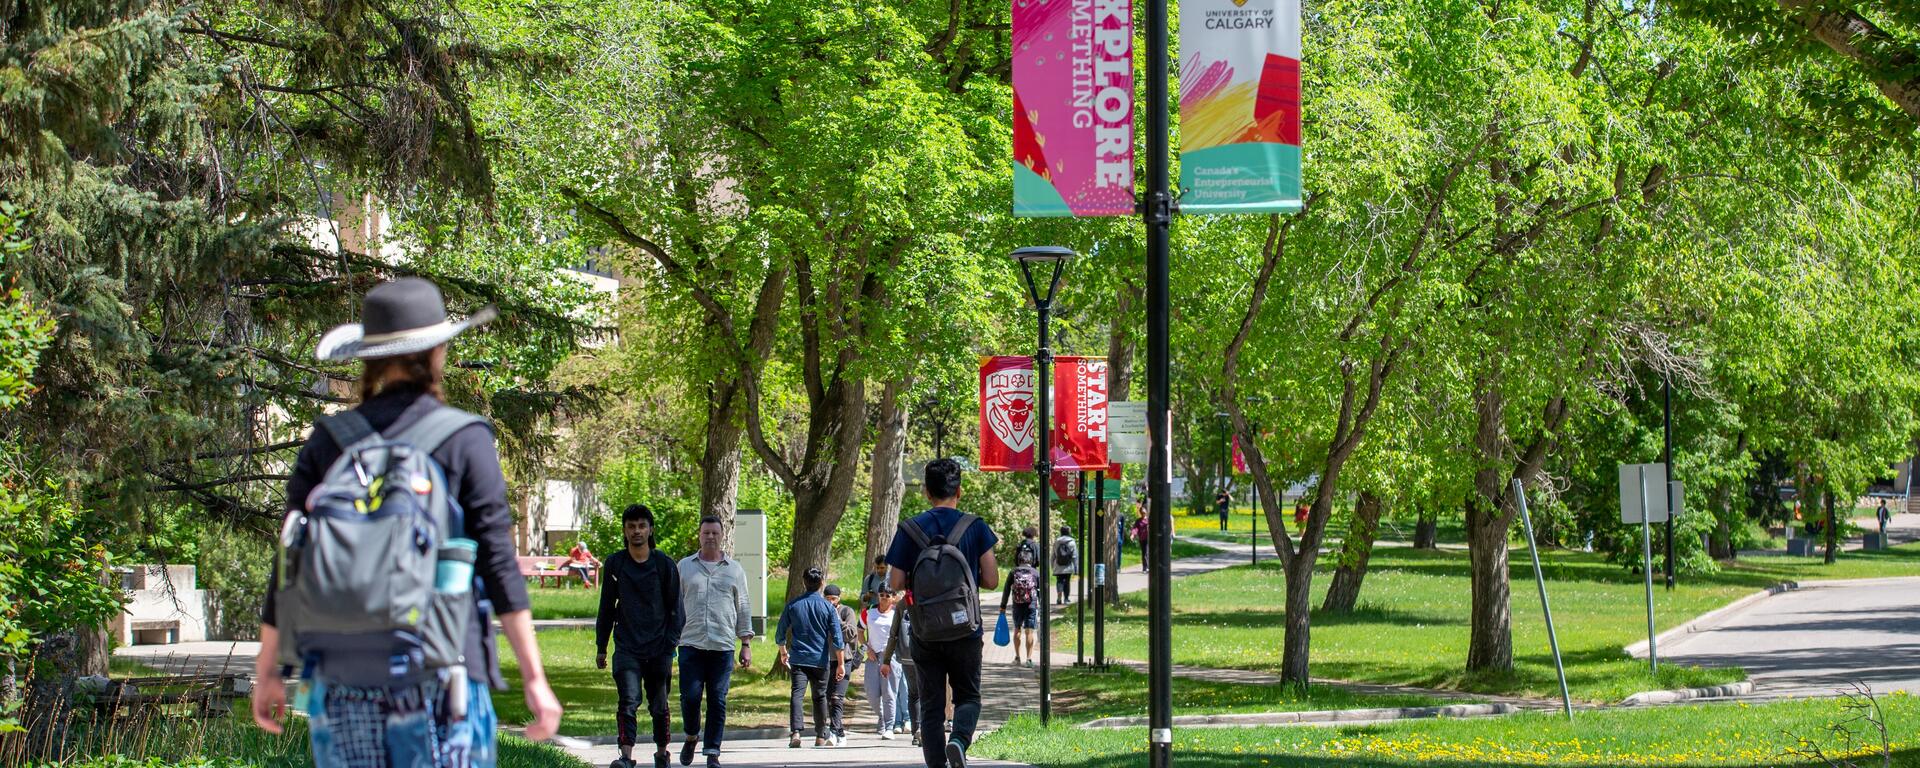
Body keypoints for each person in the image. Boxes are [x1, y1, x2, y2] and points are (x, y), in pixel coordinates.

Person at [251, 278, 562, 766]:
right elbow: (499, 564)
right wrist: (533, 678)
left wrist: (269, 669)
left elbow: (290, 557)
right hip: (442, 673)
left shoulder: (329, 441)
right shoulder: (464, 438)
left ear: (368, 356)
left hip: (337, 677)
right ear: (437, 350)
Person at [886, 458, 999, 768]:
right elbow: (991, 580)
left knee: (932, 707)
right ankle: (959, 741)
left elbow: (895, 582)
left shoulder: (909, 529)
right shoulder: (975, 526)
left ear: (926, 492)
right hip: (966, 631)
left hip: (925, 632)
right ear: (959, 491)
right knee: (968, 697)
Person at [596, 505, 683, 768]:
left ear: (650, 529)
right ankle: (626, 757)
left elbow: (677, 611)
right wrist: (602, 646)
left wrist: (669, 646)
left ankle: (661, 752)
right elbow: (607, 607)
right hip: (627, 648)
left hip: (659, 648)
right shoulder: (616, 563)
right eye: (631, 526)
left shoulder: (664, 565)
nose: (637, 531)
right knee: (628, 701)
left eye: (641, 526)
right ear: (624, 530)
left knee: (659, 706)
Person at [677, 516, 754, 768]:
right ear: (699, 535)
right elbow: (674, 605)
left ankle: (712, 752)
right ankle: (691, 736)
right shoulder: (684, 567)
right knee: (689, 697)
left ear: (722, 535)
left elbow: (742, 606)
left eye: (714, 533)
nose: (710, 537)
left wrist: (745, 643)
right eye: (706, 533)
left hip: (722, 646)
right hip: (690, 644)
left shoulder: (734, 570)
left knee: (717, 700)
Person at [775, 567, 844, 749]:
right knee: (820, 696)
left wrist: (783, 651)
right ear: (822, 583)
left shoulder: (793, 605)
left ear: (803, 582)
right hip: (820, 659)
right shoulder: (828, 607)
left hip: (798, 658)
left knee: (797, 694)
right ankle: (821, 734)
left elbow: (780, 632)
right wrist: (841, 663)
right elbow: (837, 637)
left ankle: (796, 731)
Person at [862, 589, 904, 739]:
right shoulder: (869, 612)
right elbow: (860, 631)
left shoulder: (897, 614)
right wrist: (867, 647)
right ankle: (882, 716)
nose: (884, 599)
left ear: (893, 598)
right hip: (873, 656)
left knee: (889, 692)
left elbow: (902, 635)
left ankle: (889, 726)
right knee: (871, 692)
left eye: (888, 596)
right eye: (882, 595)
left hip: (891, 657)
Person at [881, 603, 923, 747]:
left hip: (907, 656)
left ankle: (916, 731)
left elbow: (893, 634)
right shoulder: (931, 594)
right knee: (928, 693)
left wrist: (886, 659)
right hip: (927, 655)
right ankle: (925, 729)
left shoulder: (902, 604)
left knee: (914, 694)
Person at [824, 584, 860, 746]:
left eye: (834, 599)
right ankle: (839, 732)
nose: (831, 602)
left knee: (837, 697)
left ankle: (833, 732)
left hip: (844, 660)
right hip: (825, 660)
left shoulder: (847, 612)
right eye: (828, 599)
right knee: (828, 697)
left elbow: (851, 634)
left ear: (839, 598)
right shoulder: (821, 611)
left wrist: (837, 621)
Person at [997, 550, 1040, 667]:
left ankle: (1017, 658)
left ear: (1019, 560)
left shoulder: (1013, 572)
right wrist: (1040, 605)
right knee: (1029, 631)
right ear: (1031, 560)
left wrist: (1003, 606)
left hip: (1017, 605)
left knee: (1017, 629)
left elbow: (1006, 590)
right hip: (1031, 604)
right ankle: (1029, 659)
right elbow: (1040, 591)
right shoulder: (1035, 573)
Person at [1052, 525, 1077, 606]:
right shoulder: (1072, 542)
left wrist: (1052, 565)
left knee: (1059, 581)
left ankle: (1059, 596)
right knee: (1067, 582)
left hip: (1058, 566)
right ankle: (1066, 599)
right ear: (1068, 532)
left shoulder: (1056, 542)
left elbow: (1053, 555)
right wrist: (1076, 568)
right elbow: (1074, 556)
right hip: (1068, 566)